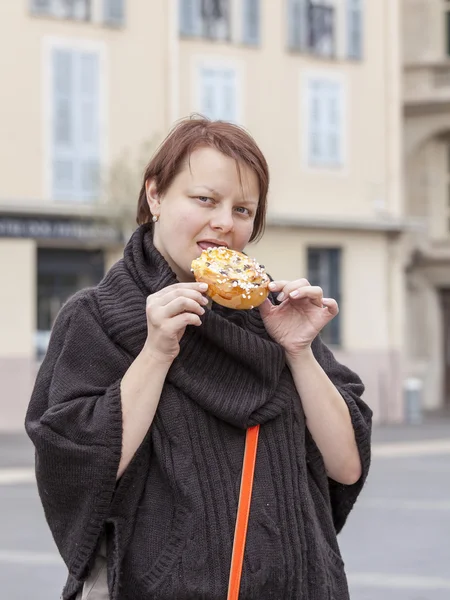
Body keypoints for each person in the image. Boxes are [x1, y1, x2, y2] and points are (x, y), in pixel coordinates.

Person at [25, 117, 372, 600]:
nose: (225, 223)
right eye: (205, 199)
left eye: (244, 209)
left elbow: (346, 466)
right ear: (156, 195)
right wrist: (157, 350)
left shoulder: (276, 314)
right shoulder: (97, 316)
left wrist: (299, 352)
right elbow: (78, 467)